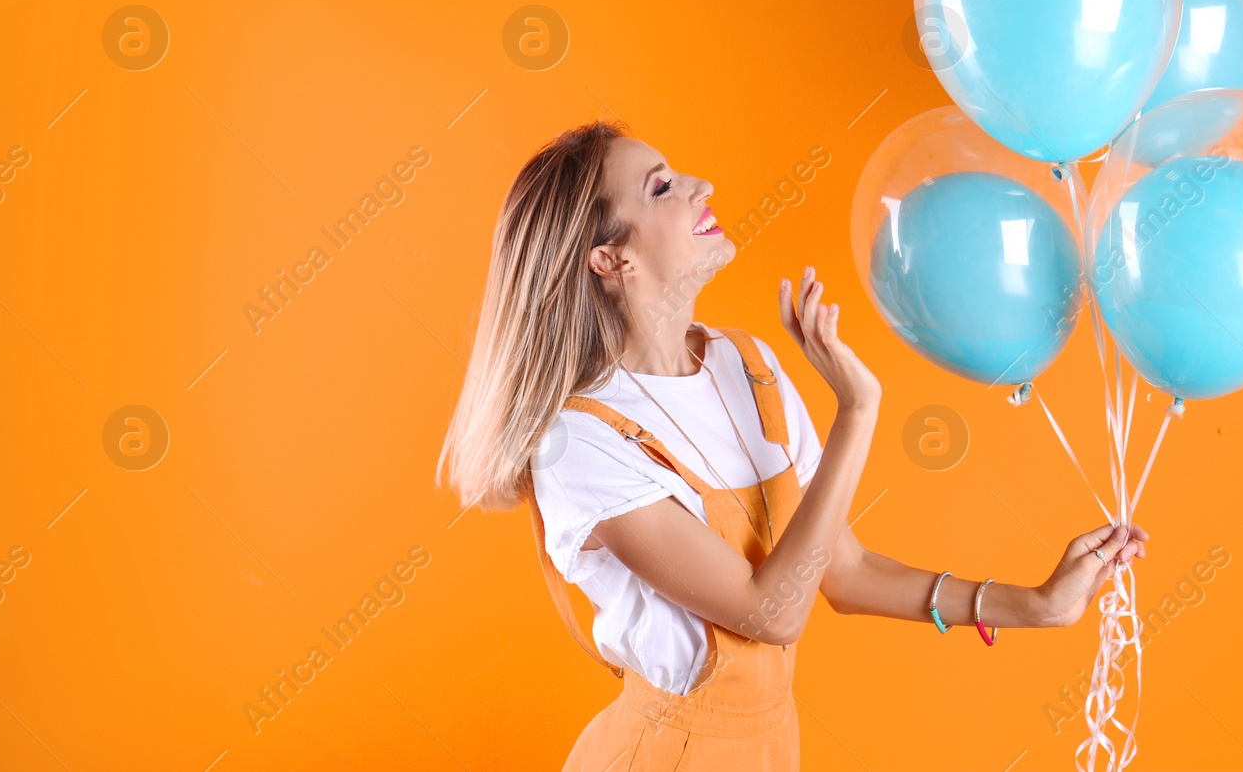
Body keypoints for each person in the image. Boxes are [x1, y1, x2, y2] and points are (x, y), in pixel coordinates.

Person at [437, 120, 1148, 770]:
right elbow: (769, 611)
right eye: (660, 186)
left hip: (773, 748)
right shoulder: (579, 440)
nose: (700, 186)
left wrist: (1037, 604)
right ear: (608, 258)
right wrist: (857, 410)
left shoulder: (746, 365)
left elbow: (842, 569)